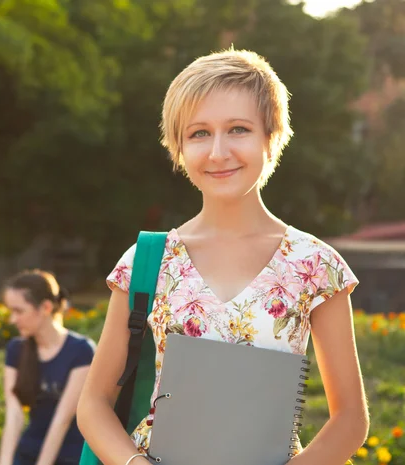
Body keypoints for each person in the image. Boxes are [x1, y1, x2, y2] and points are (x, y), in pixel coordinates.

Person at [77, 49, 369, 465]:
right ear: (177, 147)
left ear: (272, 136)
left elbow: (350, 420)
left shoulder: (315, 264)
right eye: (198, 133)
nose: (218, 152)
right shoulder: (148, 260)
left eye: (238, 129)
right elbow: (93, 403)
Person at [0, 270, 95, 465]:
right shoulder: (16, 349)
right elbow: (14, 415)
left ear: (46, 307)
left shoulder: (81, 351)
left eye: (19, 311)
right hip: (29, 450)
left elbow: (62, 420)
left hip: (69, 455)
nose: (12, 319)